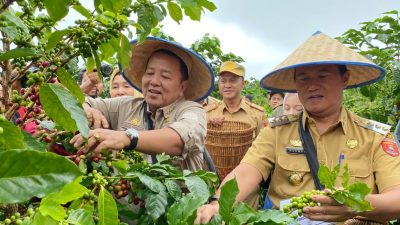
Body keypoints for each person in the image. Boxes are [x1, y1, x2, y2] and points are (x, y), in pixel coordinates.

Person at [195, 31, 400, 224]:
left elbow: (397, 197)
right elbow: (247, 171)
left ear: (344, 79)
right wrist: (217, 204)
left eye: (322, 76)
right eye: (303, 78)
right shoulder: (277, 132)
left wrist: (355, 205)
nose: (312, 85)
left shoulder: (374, 137)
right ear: (295, 83)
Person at [70, 37, 214, 172]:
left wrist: (126, 138)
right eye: (150, 73)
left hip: (179, 199)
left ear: (183, 86)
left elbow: (179, 139)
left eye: (165, 76)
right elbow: (75, 101)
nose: (154, 81)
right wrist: (88, 109)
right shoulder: (125, 106)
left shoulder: (192, 111)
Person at [206, 61, 265, 137]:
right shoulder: (207, 113)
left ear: (243, 84)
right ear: (218, 84)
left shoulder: (258, 114)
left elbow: (264, 145)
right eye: (223, 81)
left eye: (232, 80)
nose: (227, 85)